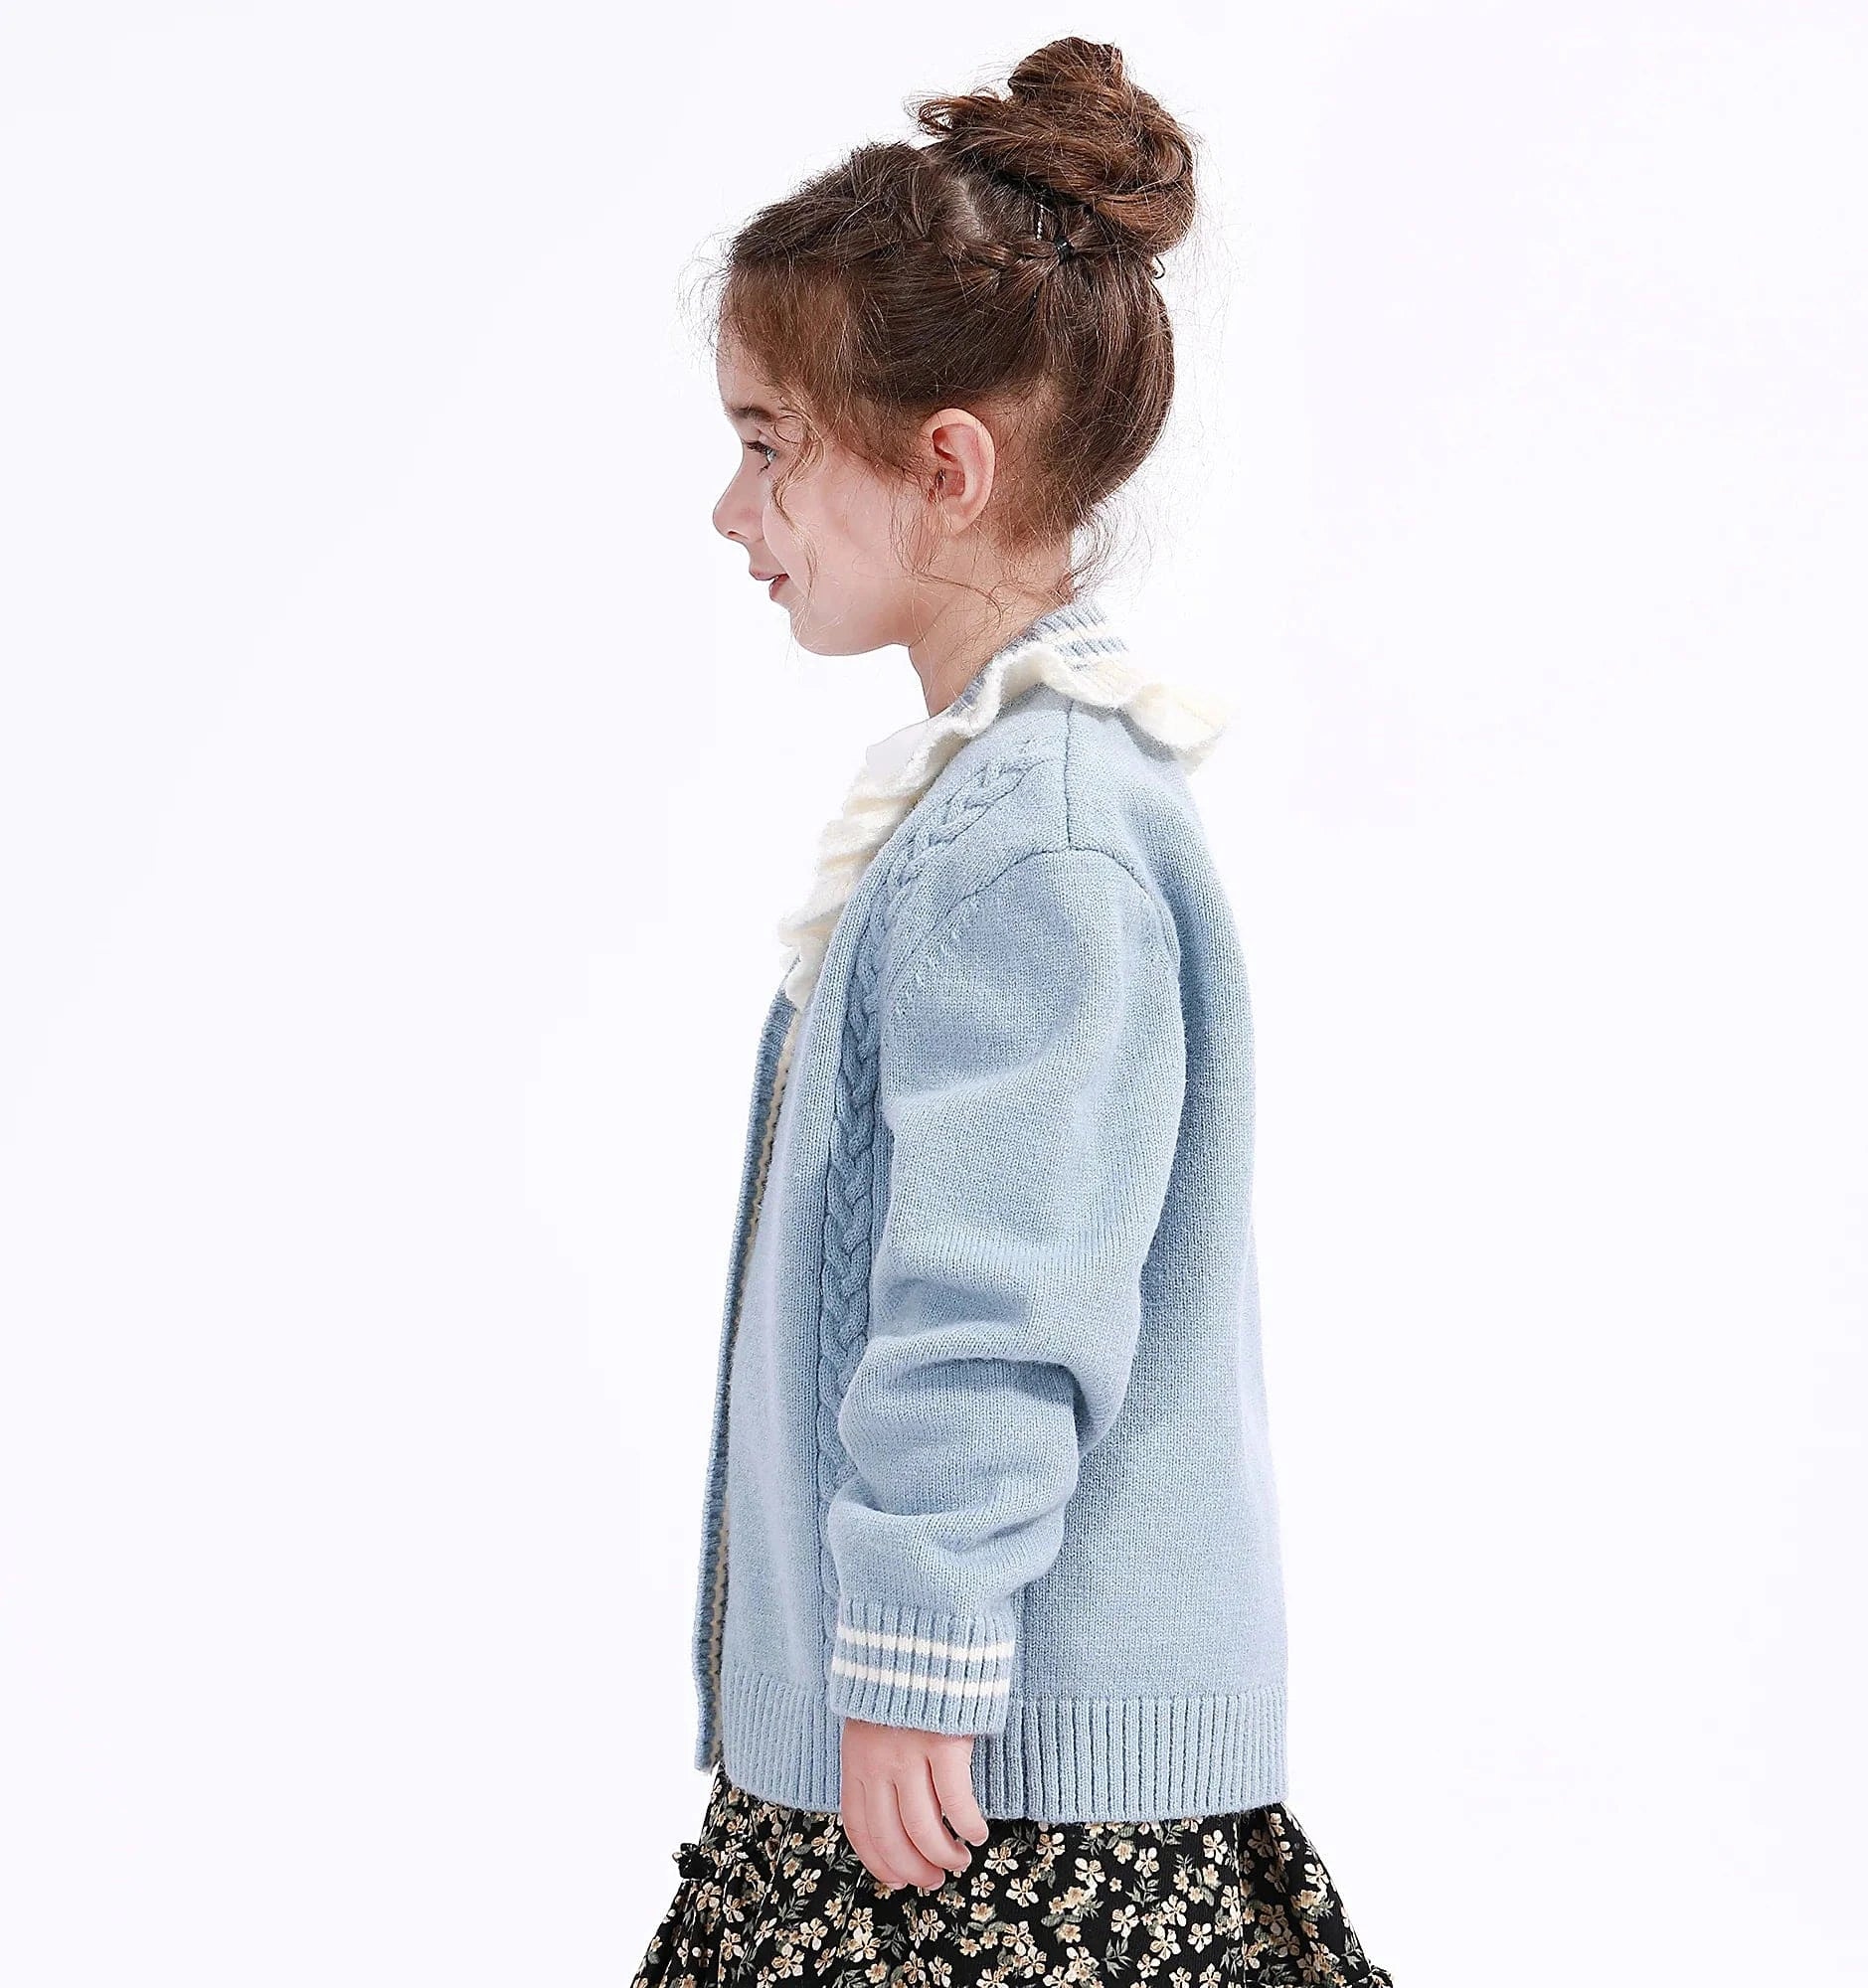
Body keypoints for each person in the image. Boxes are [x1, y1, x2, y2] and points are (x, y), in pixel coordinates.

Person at [630, 36, 1393, 1988]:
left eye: (769, 442)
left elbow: (1001, 1292)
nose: (732, 508)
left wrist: (914, 1651)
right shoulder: (1000, 804)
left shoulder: (1033, 838)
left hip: (990, 1805)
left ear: (944, 466)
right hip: (968, 1767)